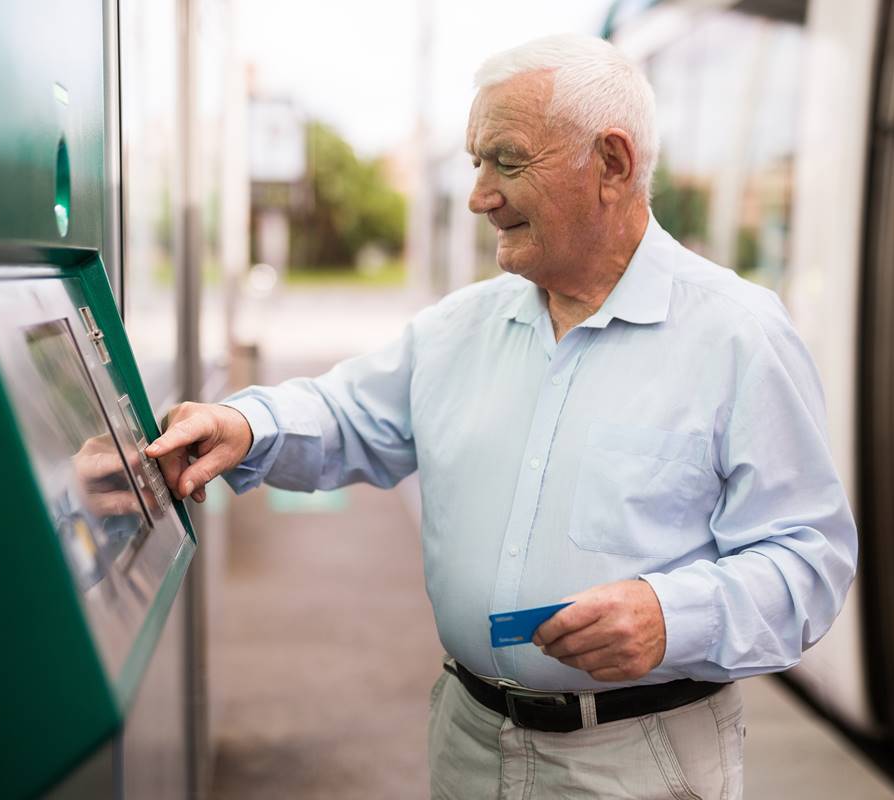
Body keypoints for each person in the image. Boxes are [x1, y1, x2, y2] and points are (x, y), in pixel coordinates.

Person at [146, 33, 857, 800]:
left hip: (639, 760)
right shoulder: (460, 328)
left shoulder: (738, 335)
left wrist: (670, 615)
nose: (481, 194)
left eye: (507, 161)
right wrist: (243, 426)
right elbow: (345, 415)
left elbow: (807, 562)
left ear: (611, 164)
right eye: (476, 162)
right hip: (468, 740)